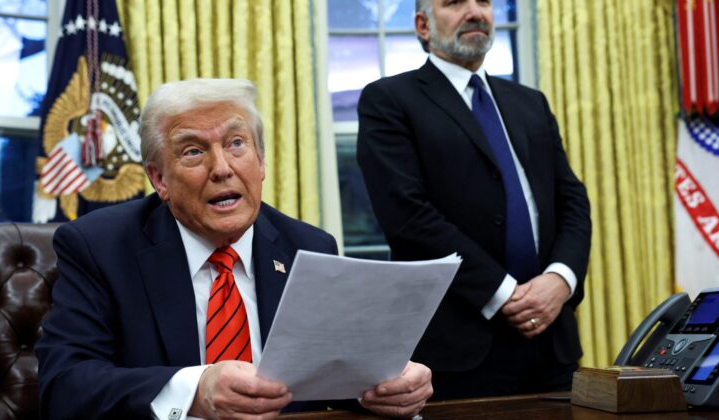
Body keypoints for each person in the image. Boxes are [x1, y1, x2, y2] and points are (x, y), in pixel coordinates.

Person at [36, 78, 433, 418]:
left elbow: (337, 376)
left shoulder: (307, 247)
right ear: (159, 179)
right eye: (193, 151)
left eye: (236, 143)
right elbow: (64, 387)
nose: (222, 168)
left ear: (261, 162)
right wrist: (196, 391)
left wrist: (388, 385)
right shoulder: (99, 247)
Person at [356, 0, 592, 400]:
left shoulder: (530, 102)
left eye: (483, 1)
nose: (475, 12)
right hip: (458, 349)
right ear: (423, 26)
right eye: (454, 3)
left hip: (552, 342)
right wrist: (503, 293)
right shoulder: (389, 100)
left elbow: (572, 200)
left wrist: (560, 279)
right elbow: (407, 216)